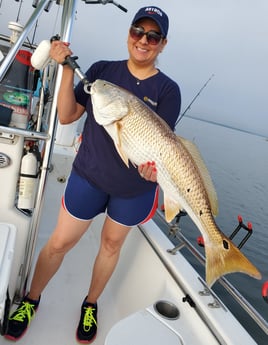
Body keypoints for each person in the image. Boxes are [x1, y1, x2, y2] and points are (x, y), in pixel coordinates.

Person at [5, 5, 181, 343]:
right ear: (129, 33)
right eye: (137, 31)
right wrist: (65, 70)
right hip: (90, 176)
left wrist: (152, 172)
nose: (143, 40)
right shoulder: (102, 71)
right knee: (60, 243)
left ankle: (91, 303)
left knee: (111, 246)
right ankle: (32, 298)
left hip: (133, 190)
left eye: (153, 36)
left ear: (163, 44)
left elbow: (160, 146)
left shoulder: (168, 90)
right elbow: (68, 116)